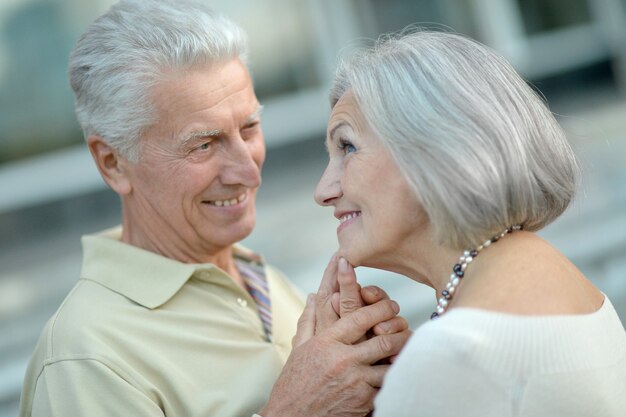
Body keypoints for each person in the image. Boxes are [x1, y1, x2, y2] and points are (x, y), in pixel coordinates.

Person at [19, 1, 411, 416]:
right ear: (112, 163)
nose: (249, 170)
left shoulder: (261, 279)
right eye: (204, 145)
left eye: (249, 128)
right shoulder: (86, 357)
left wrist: (378, 385)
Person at [314, 30, 626, 416]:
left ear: (435, 149)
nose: (323, 191)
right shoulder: (557, 281)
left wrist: (313, 399)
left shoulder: (458, 350)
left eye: (347, 147)